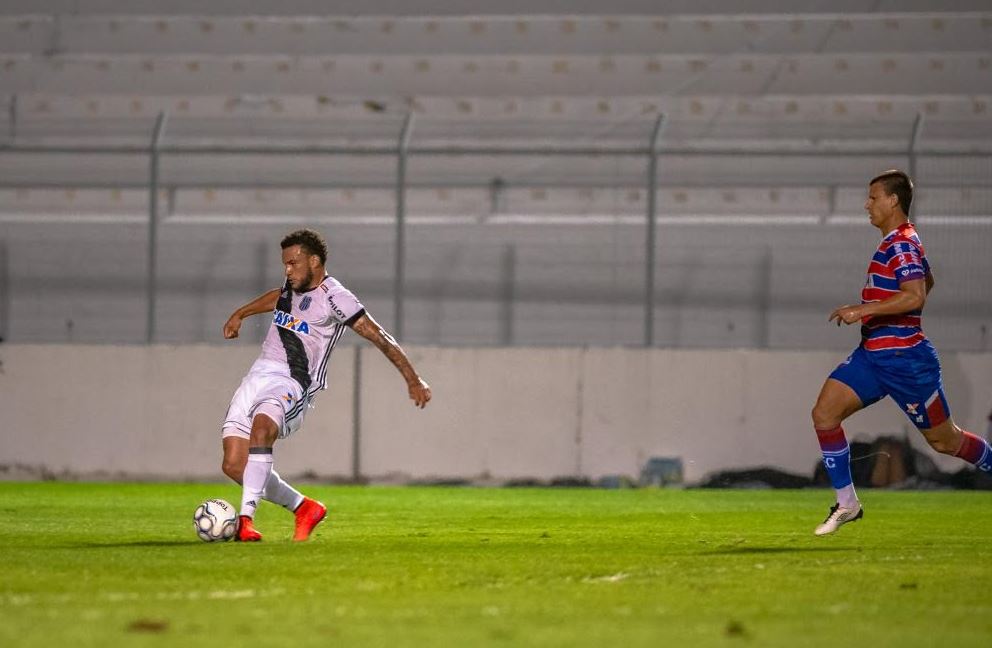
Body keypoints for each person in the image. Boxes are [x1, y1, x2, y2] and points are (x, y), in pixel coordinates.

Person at [810, 169, 992, 536]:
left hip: (907, 362)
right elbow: (926, 280)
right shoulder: (897, 241)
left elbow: (916, 295)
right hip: (873, 356)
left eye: (873, 197)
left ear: (893, 200)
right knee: (825, 414)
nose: (868, 204)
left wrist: (862, 310)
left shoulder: (901, 243)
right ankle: (847, 504)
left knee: (946, 441)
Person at [220, 228, 432, 541]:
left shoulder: (337, 298)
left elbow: (378, 335)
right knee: (234, 464)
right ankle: (304, 508)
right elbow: (277, 297)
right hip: (257, 376)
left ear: (315, 261)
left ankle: (245, 521)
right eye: (285, 264)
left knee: (262, 429)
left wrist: (413, 379)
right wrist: (241, 313)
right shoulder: (291, 286)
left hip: (294, 381)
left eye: (293, 263)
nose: (287, 270)